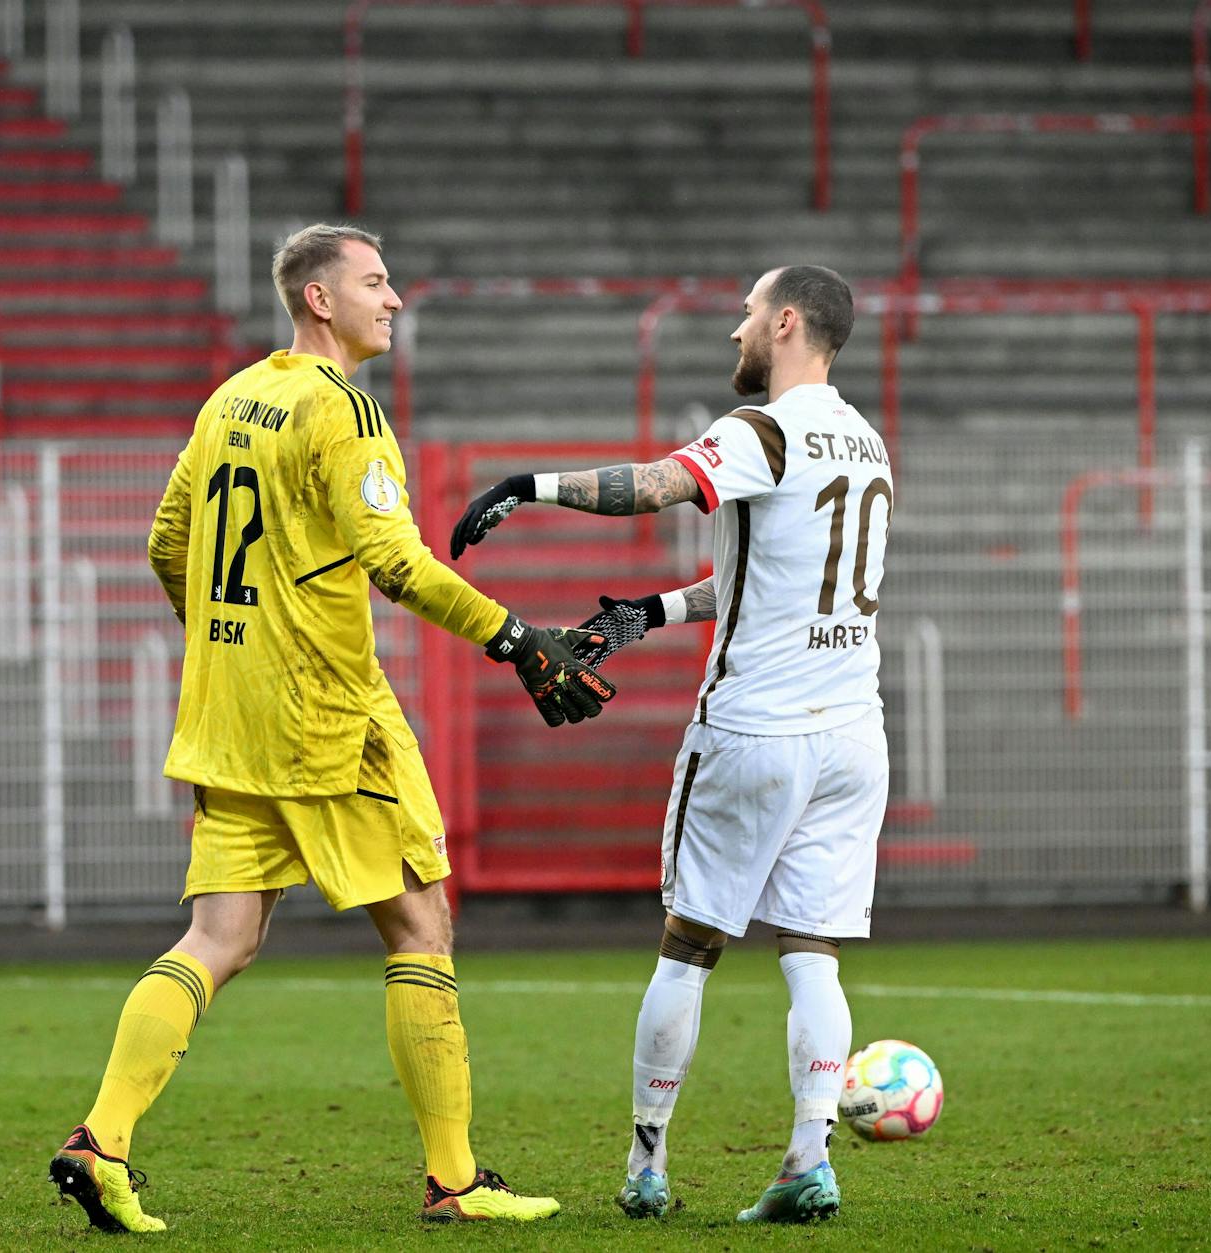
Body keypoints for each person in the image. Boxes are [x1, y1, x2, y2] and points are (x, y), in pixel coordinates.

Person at [49, 224, 615, 1233]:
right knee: (420, 922)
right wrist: (515, 635)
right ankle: (453, 1176)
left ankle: (101, 1138)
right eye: (374, 281)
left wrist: (234, 642)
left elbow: (165, 539)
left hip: (227, 711)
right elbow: (394, 561)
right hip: (326, 713)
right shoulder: (341, 409)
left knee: (217, 934)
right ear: (319, 299)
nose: (393, 298)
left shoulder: (230, 396)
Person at [450, 264, 890, 1225]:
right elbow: (761, 582)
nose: (733, 330)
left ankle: (646, 1162)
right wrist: (649, 610)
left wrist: (531, 484)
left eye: (744, 314)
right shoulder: (865, 441)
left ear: (784, 323)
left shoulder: (761, 429)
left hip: (755, 731)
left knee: (688, 947)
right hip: (853, 735)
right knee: (812, 953)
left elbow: (654, 486)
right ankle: (809, 1161)